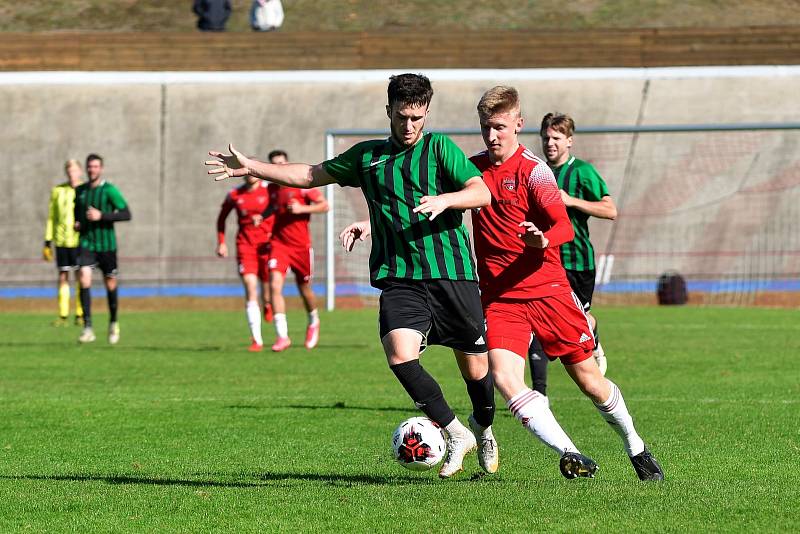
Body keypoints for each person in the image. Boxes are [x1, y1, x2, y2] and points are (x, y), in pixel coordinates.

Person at [207, 73, 498, 479]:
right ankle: (455, 432)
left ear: (427, 112)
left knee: (478, 374)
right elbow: (309, 175)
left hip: (452, 275)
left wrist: (446, 199)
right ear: (388, 112)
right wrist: (252, 166)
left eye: (417, 117)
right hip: (400, 277)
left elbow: (481, 192)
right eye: (401, 117)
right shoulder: (367, 157)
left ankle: (483, 430)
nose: (409, 126)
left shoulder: (439, 148)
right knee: (399, 355)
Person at [470, 87, 662, 480]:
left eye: (500, 127)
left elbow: (562, 226)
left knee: (590, 382)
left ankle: (636, 446)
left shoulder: (534, 171)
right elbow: (437, 199)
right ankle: (571, 453)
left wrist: (543, 239)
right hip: (501, 299)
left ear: (518, 124)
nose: (492, 136)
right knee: (505, 378)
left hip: (549, 291)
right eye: (486, 127)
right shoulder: (472, 171)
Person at [528, 113, 618, 395]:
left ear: (569, 141)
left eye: (556, 138)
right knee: (537, 324)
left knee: (578, 321)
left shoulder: (581, 171)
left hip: (576, 262)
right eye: (546, 138)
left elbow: (610, 209)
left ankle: (592, 331)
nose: (550, 143)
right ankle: (539, 395)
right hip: (543, 262)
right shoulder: (537, 170)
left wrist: (571, 201)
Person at [265, 150, 327, 352]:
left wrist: (302, 209)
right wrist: (262, 217)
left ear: (287, 163)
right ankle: (282, 336)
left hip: (301, 246)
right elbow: (273, 208)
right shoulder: (272, 189)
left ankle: (313, 321)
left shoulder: (301, 186)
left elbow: (324, 205)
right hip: (279, 245)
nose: (279, 167)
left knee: (304, 289)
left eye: (282, 163)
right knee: (275, 285)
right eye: (275, 164)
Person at [73, 154, 131, 344]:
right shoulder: (80, 191)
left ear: (101, 169)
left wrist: (102, 216)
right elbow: (77, 212)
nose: (92, 170)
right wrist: (78, 223)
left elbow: (126, 213)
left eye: (96, 166)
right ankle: (88, 327)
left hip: (107, 245)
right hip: (87, 243)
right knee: (84, 276)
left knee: (110, 283)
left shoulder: (109, 190)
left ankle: (113, 322)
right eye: (89, 167)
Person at [216, 173, 274, 352]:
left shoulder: (270, 190)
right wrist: (222, 242)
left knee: (267, 292)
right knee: (250, 288)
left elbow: (279, 210)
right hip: (245, 246)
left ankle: (267, 304)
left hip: (267, 245)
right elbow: (221, 219)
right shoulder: (235, 194)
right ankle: (257, 339)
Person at [44, 159, 84, 326]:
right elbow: (52, 217)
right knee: (63, 276)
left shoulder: (85, 190)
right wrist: (47, 241)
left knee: (81, 277)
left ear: (80, 171)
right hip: (61, 240)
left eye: (74, 170)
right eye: (69, 170)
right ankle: (63, 314)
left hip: (79, 240)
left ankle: (81, 314)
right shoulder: (58, 191)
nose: (71, 173)